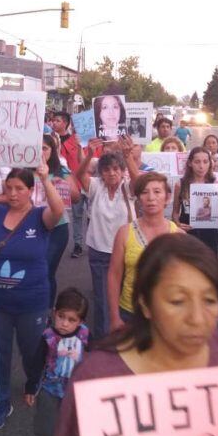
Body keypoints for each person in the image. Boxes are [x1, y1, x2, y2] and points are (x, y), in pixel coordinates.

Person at [52, 233, 218, 436]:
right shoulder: (95, 377)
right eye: (177, 301)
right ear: (145, 304)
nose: (197, 319)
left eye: (209, 300)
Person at [0, 160, 64, 430]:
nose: (14, 193)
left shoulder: (40, 217)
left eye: (19, 188)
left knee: (32, 352)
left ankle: (33, 380)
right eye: (9, 188)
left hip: (33, 302)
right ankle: (0, 403)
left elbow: (59, 210)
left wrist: (45, 178)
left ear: (30, 190)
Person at [76, 140, 137, 339]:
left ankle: (126, 338)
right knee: (103, 299)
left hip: (126, 252)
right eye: (107, 169)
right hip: (100, 252)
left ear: (122, 171)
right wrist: (89, 153)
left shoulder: (128, 188)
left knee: (126, 298)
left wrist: (128, 156)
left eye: (116, 169)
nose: (112, 173)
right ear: (101, 172)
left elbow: (140, 183)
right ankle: (104, 342)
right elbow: (80, 175)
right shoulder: (96, 187)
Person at [108, 172, 180, 331]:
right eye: (145, 192)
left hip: (168, 313)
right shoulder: (125, 232)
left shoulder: (179, 236)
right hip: (130, 311)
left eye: (157, 191)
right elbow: (114, 275)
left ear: (167, 197)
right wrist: (114, 317)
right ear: (139, 198)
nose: (151, 197)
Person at [25, 288, 89, 436]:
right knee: (46, 428)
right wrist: (30, 387)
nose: (65, 323)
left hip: (76, 392)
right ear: (54, 313)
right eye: (61, 316)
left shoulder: (85, 335)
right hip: (50, 389)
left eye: (72, 319)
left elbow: (93, 358)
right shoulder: (48, 336)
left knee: (76, 427)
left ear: (81, 322)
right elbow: (37, 362)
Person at [40, 134, 81, 305]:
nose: (41, 152)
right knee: (35, 270)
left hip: (57, 228)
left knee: (47, 271)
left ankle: (47, 310)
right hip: (34, 227)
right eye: (38, 148)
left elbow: (77, 197)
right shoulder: (25, 171)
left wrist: (61, 185)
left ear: (53, 151)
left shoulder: (61, 171)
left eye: (45, 148)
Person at [173, 146, 218, 253]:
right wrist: (177, 224)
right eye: (197, 162)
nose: (201, 166)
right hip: (188, 232)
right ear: (190, 163)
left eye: (205, 162)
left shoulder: (215, 184)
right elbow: (175, 212)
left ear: (210, 163)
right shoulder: (180, 184)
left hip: (209, 233)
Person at [51, 111, 85, 259]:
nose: (54, 123)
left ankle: (94, 243)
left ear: (65, 123)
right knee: (76, 215)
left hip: (84, 182)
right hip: (70, 184)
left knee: (91, 216)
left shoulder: (76, 140)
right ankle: (78, 244)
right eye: (53, 121)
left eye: (58, 120)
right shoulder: (49, 140)